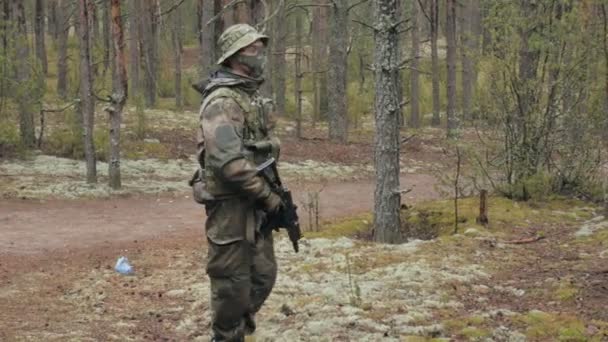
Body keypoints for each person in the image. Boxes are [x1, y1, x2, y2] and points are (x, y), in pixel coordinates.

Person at [193, 24, 282, 342]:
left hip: (252, 204)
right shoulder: (222, 102)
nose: (260, 55)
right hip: (231, 208)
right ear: (234, 57)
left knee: (262, 275)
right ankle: (227, 334)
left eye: (260, 48)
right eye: (252, 49)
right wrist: (268, 197)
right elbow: (228, 163)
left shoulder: (249, 97)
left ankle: (238, 331)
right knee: (231, 284)